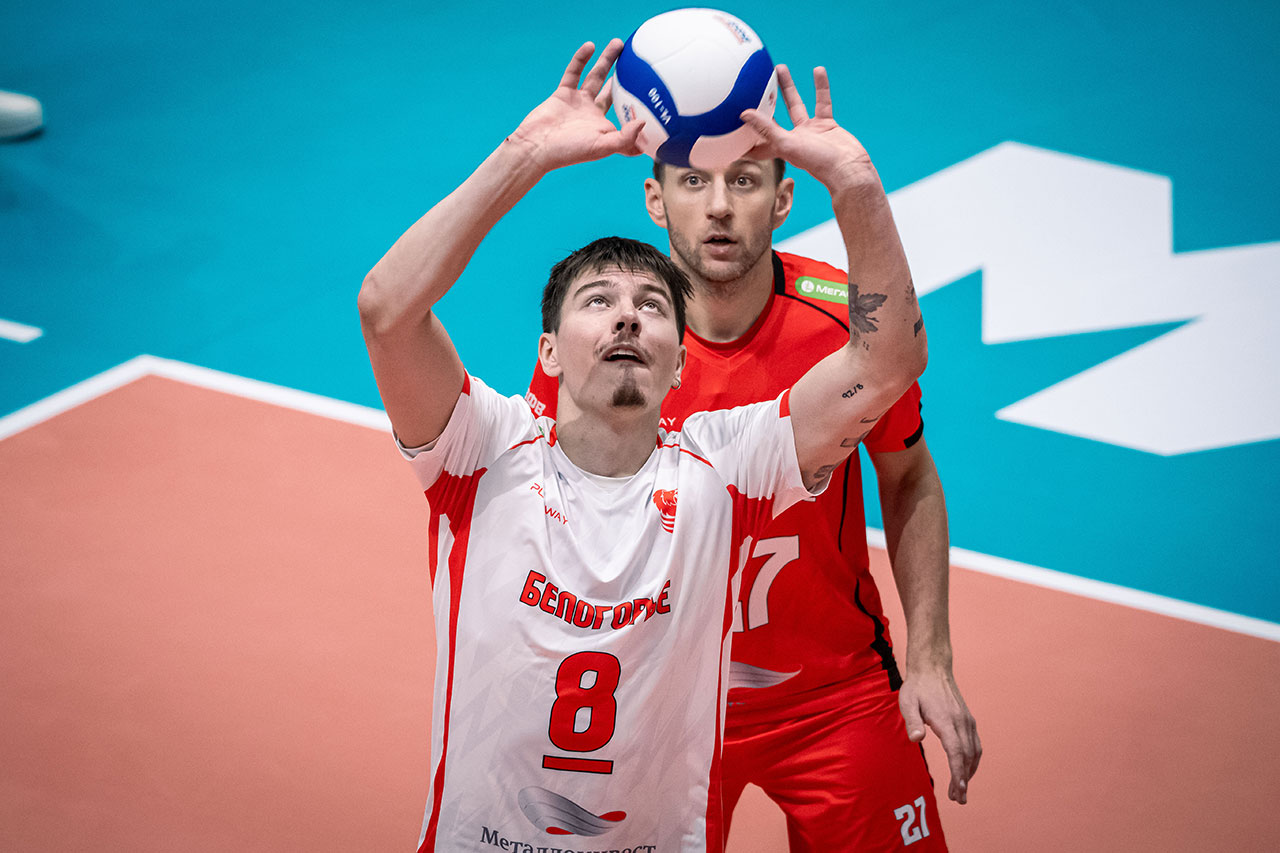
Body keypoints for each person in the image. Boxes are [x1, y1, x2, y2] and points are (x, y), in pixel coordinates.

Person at [360, 39, 927, 853]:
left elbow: (886, 364)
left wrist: (857, 187)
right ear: (549, 353)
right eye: (598, 301)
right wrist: (524, 156)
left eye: (652, 307)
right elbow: (387, 310)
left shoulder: (724, 469)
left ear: (680, 361)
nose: (627, 315)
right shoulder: (482, 454)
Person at [525, 68, 980, 853]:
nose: (720, 205)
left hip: (833, 692)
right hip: (659, 701)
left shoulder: (847, 328)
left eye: (743, 179)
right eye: (693, 181)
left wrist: (931, 658)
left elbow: (908, 473)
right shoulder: (611, 349)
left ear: (782, 198)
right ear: (656, 200)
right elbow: (555, 522)